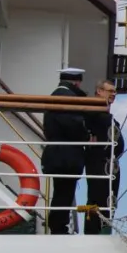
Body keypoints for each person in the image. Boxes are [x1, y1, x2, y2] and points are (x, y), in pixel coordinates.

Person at [41, 67, 92, 235]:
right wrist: (87, 136)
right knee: (64, 192)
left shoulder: (56, 95)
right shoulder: (67, 97)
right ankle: (58, 227)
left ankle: (58, 224)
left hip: (58, 152)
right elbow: (73, 125)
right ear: (76, 82)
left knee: (61, 191)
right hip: (66, 154)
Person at [83, 80, 125, 234]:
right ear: (99, 91)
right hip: (98, 162)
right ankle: (93, 232)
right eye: (110, 91)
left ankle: (104, 229)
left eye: (115, 91)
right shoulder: (92, 112)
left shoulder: (108, 116)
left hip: (112, 166)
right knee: (96, 198)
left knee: (110, 201)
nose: (113, 94)